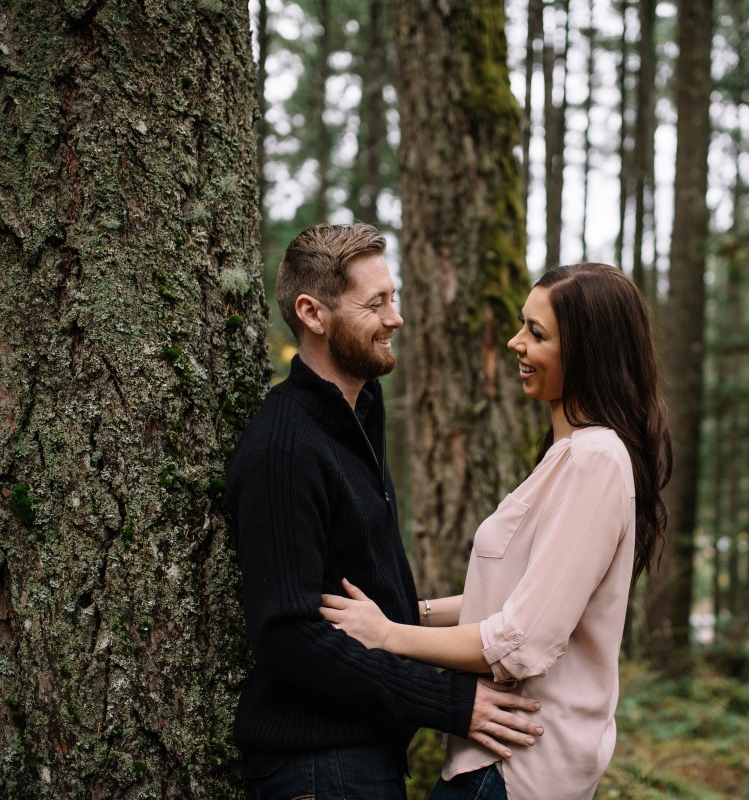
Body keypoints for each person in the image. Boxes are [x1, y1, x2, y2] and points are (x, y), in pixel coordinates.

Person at [321, 263, 673, 800]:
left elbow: (521, 640)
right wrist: (410, 612)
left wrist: (387, 635)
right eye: (521, 325)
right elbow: (521, 602)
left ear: (588, 353)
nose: (515, 343)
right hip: (499, 758)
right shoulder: (570, 456)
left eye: (537, 333)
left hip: (513, 765)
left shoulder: (595, 460)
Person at [227, 223, 543, 800]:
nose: (395, 318)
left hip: (361, 755)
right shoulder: (285, 448)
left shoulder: (358, 416)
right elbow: (288, 636)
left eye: (393, 298)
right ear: (313, 313)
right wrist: (447, 700)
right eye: (375, 304)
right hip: (319, 764)